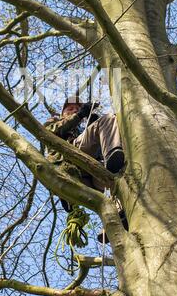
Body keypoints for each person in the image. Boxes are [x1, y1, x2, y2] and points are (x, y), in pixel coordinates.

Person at [44, 97, 128, 241]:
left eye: (77, 108)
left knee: (119, 184)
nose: (74, 110)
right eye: (70, 109)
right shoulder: (54, 121)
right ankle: (113, 154)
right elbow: (52, 132)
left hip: (91, 172)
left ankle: (114, 223)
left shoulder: (82, 129)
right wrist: (80, 115)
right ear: (63, 112)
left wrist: (92, 124)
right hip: (69, 159)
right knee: (107, 119)